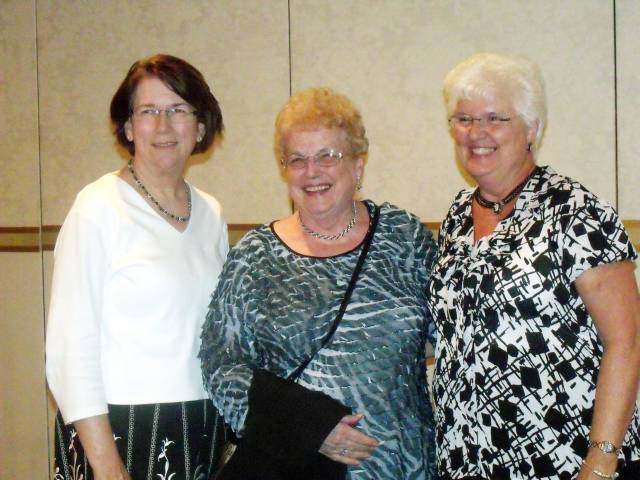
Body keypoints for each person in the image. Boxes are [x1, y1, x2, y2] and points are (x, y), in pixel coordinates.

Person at [199, 87, 438, 479]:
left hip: (403, 465)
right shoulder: (255, 256)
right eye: (298, 159)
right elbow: (220, 362)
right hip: (298, 467)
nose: (312, 172)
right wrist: (307, 428)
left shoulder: (403, 237)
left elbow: (451, 333)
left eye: (328, 156)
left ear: (358, 164)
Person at [428, 52, 640, 480]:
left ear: (532, 129)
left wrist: (600, 462)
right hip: (469, 460)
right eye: (464, 119)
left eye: (494, 118)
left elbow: (627, 341)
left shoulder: (575, 212)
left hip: (566, 461)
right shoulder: (457, 216)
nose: (476, 133)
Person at [46, 54, 229, 480]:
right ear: (128, 127)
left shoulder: (211, 214)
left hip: (201, 426)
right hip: (115, 432)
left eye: (178, 109)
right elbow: (70, 350)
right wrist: (107, 468)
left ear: (200, 126)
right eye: (148, 111)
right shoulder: (98, 207)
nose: (163, 126)